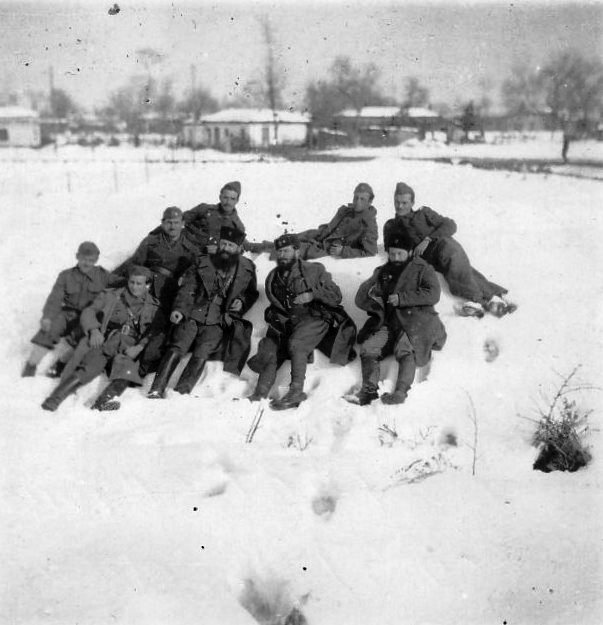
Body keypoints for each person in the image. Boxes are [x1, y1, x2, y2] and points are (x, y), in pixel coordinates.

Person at [247, 233, 357, 410]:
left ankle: (296, 391)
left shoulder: (314, 270)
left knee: (297, 344)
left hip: (314, 317)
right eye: (280, 251)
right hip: (287, 321)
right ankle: (259, 394)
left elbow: (335, 296)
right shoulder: (273, 276)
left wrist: (312, 295)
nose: (282, 255)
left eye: (286, 251)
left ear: (297, 251)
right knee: (270, 348)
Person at [147, 225, 258, 398]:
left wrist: (241, 302)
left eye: (231, 246)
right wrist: (179, 310)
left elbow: (250, 293)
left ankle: (181, 391)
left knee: (202, 354)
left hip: (218, 321)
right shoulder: (203, 261)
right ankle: (156, 388)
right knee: (177, 347)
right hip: (193, 313)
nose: (226, 249)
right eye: (224, 244)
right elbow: (187, 289)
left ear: (238, 249)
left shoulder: (247, 268)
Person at [41, 266, 166, 412]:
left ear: (148, 284)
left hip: (127, 349)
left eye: (139, 284)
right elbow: (89, 311)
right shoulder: (112, 296)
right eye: (132, 282)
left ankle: (102, 403)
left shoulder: (154, 307)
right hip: (105, 343)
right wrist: (94, 330)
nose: (134, 286)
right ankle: (54, 400)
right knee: (88, 369)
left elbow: (155, 331)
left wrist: (139, 347)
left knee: (128, 372)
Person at [383, 182, 515, 318]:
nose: (400, 206)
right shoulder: (391, 225)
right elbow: (390, 249)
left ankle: (485, 299)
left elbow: (450, 225)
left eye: (404, 203)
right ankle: (488, 299)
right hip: (425, 258)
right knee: (458, 263)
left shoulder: (424, 213)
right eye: (397, 202)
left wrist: (428, 239)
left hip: (441, 246)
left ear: (412, 202)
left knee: (452, 255)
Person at [346, 235, 447, 406]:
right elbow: (363, 295)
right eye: (392, 254)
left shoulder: (423, 269)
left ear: (409, 252)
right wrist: (372, 291)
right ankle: (369, 391)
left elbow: (433, 294)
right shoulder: (383, 271)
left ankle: (400, 392)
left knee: (404, 350)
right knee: (369, 348)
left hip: (415, 321)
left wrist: (402, 298)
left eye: (400, 254)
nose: (396, 258)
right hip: (389, 323)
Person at [22, 241, 109, 378]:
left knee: (83, 339)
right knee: (49, 330)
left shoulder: (103, 275)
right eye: (83, 259)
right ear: (77, 256)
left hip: (87, 317)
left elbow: (123, 281)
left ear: (96, 260)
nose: (86, 263)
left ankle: (60, 364)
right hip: (67, 313)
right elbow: (55, 298)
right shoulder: (66, 275)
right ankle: (30, 366)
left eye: (91, 260)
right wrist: (48, 317)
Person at [247, 182, 378, 260]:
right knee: (288, 239)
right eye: (356, 198)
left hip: (325, 248)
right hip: (319, 235)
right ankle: (255, 246)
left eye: (362, 199)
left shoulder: (369, 224)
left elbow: (370, 252)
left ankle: (257, 251)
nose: (357, 202)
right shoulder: (346, 211)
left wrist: (343, 251)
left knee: (289, 250)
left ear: (370, 202)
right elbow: (331, 228)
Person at [110, 206, 199, 310]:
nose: (172, 226)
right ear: (162, 223)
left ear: (183, 223)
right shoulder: (151, 242)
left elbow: (194, 275)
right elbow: (135, 264)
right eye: (169, 222)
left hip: (168, 291)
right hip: (146, 285)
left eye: (176, 223)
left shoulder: (190, 249)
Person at [182, 181, 246, 254]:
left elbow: (241, 247)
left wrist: (261, 246)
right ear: (220, 197)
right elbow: (179, 220)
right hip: (184, 249)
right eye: (225, 197)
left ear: (237, 200)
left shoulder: (237, 226)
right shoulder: (204, 209)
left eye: (232, 199)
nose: (228, 202)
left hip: (206, 259)